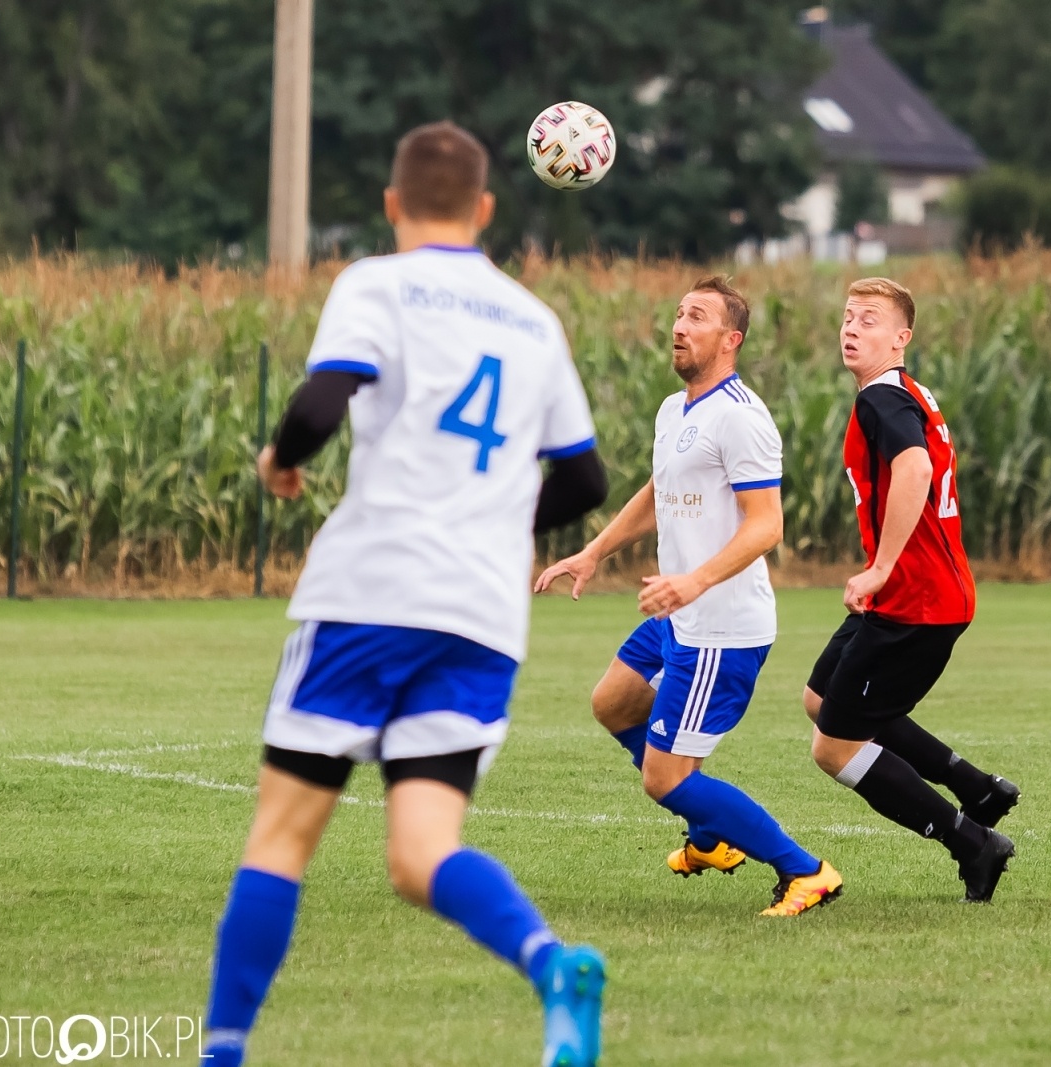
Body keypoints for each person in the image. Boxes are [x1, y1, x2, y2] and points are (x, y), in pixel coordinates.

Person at [198, 122, 610, 1067]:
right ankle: (550, 963)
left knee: (280, 838)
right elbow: (585, 478)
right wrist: (497, 522)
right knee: (422, 854)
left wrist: (279, 458)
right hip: (480, 616)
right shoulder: (533, 321)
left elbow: (319, 403)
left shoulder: (377, 283)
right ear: (486, 208)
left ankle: (223, 1051)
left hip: (372, 593)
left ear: (391, 203)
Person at [535, 277, 842, 918]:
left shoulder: (741, 417)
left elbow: (767, 525)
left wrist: (695, 581)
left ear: (731, 340)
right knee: (614, 702)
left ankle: (805, 871)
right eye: (678, 314)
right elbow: (659, 493)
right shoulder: (674, 411)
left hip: (719, 626)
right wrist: (594, 552)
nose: (679, 326)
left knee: (664, 778)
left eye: (697, 316)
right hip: (678, 616)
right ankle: (711, 838)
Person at [802, 277, 1018, 904]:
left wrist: (880, 568)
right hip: (913, 596)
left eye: (869, 319)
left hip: (915, 604)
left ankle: (971, 842)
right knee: (821, 700)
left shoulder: (881, 399)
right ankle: (976, 788)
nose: (851, 328)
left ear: (901, 338)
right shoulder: (905, 392)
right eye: (848, 317)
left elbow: (916, 468)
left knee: (834, 748)